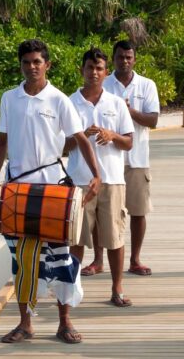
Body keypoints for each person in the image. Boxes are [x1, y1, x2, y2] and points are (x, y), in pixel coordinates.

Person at [0, 39, 102, 345]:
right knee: (22, 258)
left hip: (53, 189)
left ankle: (64, 321)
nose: (32, 67)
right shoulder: (10, 98)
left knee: (60, 256)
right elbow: (2, 140)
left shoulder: (59, 100)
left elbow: (81, 139)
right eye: (26, 62)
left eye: (37, 62)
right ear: (20, 65)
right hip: (16, 189)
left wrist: (96, 174)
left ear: (47, 65)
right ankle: (25, 324)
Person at [65, 47, 136, 307]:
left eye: (99, 68)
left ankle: (117, 289)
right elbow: (60, 146)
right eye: (89, 68)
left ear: (106, 72)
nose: (94, 73)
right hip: (79, 181)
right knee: (76, 239)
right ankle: (70, 290)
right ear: (81, 70)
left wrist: (111, 135)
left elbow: (129, 142)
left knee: (115, 237)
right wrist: (80, 136)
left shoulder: (116, 103)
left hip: (113, 180)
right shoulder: (69, 103)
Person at [95, 40, 160, 277]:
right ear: (113, 59)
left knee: (138, 211)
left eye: (128, 57)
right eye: (120, 57)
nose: (124, 61)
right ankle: (98, 260)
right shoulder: (103, 82)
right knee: (102, 212)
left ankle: (135, 259)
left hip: (138, 157)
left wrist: (127, 110)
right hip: (108, 160)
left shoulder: (146, 85)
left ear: (134, 59)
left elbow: (153, 120)